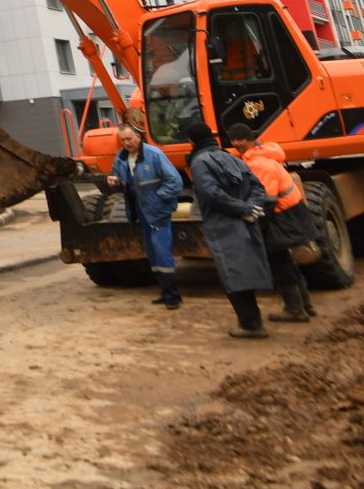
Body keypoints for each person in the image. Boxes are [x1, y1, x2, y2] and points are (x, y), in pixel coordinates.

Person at [181, 121, 275, 339]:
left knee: (233, 275)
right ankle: (253, 321)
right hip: (245, 221)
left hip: (223, 225)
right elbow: (257, 186)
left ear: (191, 141)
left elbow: (211, 194)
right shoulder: (231, 157)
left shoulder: (200, 162)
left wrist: (243, 209)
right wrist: (252, 208)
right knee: (246, 271)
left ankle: (250, 325)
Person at [224, 126, 316, 323]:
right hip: (290, 213)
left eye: (241, 139)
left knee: (279, 263)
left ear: (250, 140)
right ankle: (305, 305)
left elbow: (267, 199)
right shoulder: (261, 155)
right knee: (287, 262)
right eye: (234, 140)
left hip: (281, 216)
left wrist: (254, 223)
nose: (237, 143)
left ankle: (295, 309)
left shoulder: (258, 163)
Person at [105, 121, 183, 309]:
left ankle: (174, 295)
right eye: (123, 140)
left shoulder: (154, 155)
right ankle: (164, 291)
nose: (127, 143)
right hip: (140, 210)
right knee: (151, 252)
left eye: (129, 139)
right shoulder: (121, 158)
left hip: (157, 211)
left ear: (138, 137)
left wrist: (158, 198)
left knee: (161, 250)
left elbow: (175, 182)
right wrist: (114, 180)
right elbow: (118, 177)